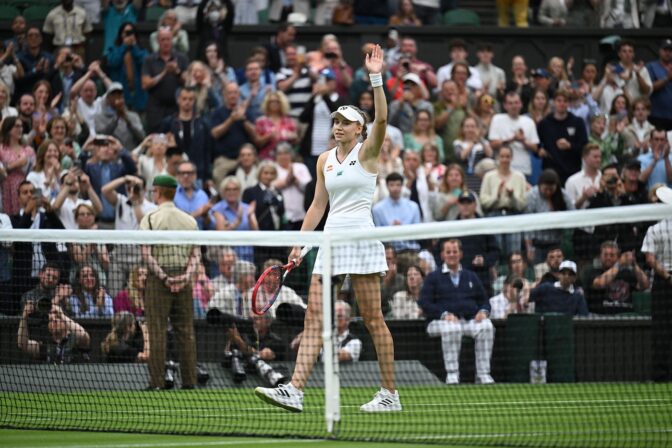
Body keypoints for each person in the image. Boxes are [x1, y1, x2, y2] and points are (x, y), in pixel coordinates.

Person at [255, 45, 401, 413]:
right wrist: (300, 244)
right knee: (314, 316)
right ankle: (295, 390)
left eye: (345, 122)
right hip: (330, 241)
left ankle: (389, 394)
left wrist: (376, 78)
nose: (337, 126)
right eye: (335, 121)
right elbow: (318, 205)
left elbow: (382, 119)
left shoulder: (368, 151)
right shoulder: (323, 161)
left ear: (359, 129)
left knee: (371, 318)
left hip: (362, 239)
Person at [140, 174, 200, 390]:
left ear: (157, 191)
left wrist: (164, 277)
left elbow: (146, 254)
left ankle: (156, 382)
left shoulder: (150, 219)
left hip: (159, 280)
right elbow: (196, 256)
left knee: (157, 331)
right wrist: (184, 277)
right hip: (184, 279)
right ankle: (190, 381)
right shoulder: (190, 220)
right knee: (186, 331)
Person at [419, 239, 495, 385]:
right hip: (438, 323)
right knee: (452, 328)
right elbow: (425, 302)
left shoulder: (471, 276)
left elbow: (484, 300)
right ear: (442, 255)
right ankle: (452, 374)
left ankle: (483, 374)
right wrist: (444, 314)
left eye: (455, 251)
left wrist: (484, 311)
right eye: (448, 252)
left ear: (460, 254)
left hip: (468, 321)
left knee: (487, 326)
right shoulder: (433, 277)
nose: (452, 255)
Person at [642, 186, 672, 381]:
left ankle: (661, 375)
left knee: (662, 331)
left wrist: (667, 276)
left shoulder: (654, 229)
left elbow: (650, 259)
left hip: (663, 284)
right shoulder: (654, 229)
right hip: (665, 281)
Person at [140, 27, 189, 133]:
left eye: (168, 39)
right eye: (163, 40)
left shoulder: (182, 58)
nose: (166, 42)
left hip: (176, 108)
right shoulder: (149, 60)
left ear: (172, 40)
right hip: (155, 109)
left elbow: (188, 82)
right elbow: (145, 85)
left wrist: (177, 71)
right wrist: (164, 73)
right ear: (158, 41)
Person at [582, 241, 649, 314]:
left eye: (612, 255)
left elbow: (645, 285)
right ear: (600, 257)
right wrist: (619, 264)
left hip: (626, 317)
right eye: (605, 255)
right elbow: (600, 283)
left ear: (617, 257)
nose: (608, 258)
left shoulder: (627, 273)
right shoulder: (593, 272)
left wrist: (634, 265)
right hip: (601, 317)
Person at [524, 169, 574, 264]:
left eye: (551, 189)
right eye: (545, 189)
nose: (548, 192)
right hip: (538, 244)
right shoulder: (532, 195)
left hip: (557, 243)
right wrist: (529, 247)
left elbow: (573, 213)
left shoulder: (563, 195)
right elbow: (527, 223)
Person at [489, 91, 540, 181]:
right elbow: (493, 144)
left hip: (523, 169)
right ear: (505, 106)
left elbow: (535, 147)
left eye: (516, 103)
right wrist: (512, 139)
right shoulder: (497, 119)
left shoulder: (529, 121)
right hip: (502, 168)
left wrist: (523, 141)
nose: (514, 106)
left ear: (521, 104)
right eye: (510, 103)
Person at [17, 300, 90, 363]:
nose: (54, 320)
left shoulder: (75, 339)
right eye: (51, 320)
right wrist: (24, 316)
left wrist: (61, 315)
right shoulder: (46, 344)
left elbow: (83, 335)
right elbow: (23, 345)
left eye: (58, 318)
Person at [0, 117, 36, 215]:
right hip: (6, 187)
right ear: (8, 128)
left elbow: (35, 172)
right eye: (17, 126)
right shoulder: (2, 149)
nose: (20, 129)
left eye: (21, 126)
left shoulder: (28, 150)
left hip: (25, 187)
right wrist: (15, 165)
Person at [646, 39, 672, 131]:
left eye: (670, 51)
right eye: (665, 50)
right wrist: (667, 78)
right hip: (656, 115)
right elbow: (649, 88)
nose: (668, 53)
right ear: (660, 51)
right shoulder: (651, 66)